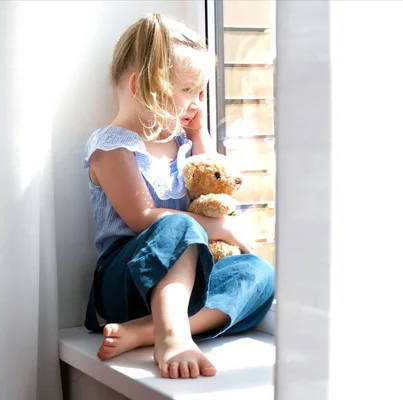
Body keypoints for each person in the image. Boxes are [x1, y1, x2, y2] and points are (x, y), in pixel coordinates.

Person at [83, 13, 275, 380]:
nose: (196, 101)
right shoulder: (112, 146)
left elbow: (210, 182)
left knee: (258, 272)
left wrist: (199, 136)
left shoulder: (181, 144)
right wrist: (218, 227)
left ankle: (146, 331)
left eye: (200, 91)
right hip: (129, 281)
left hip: (186, 287)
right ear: (142, 87)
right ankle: (172, 334)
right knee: (175, 223)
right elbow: (143, 217)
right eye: (187, 90)